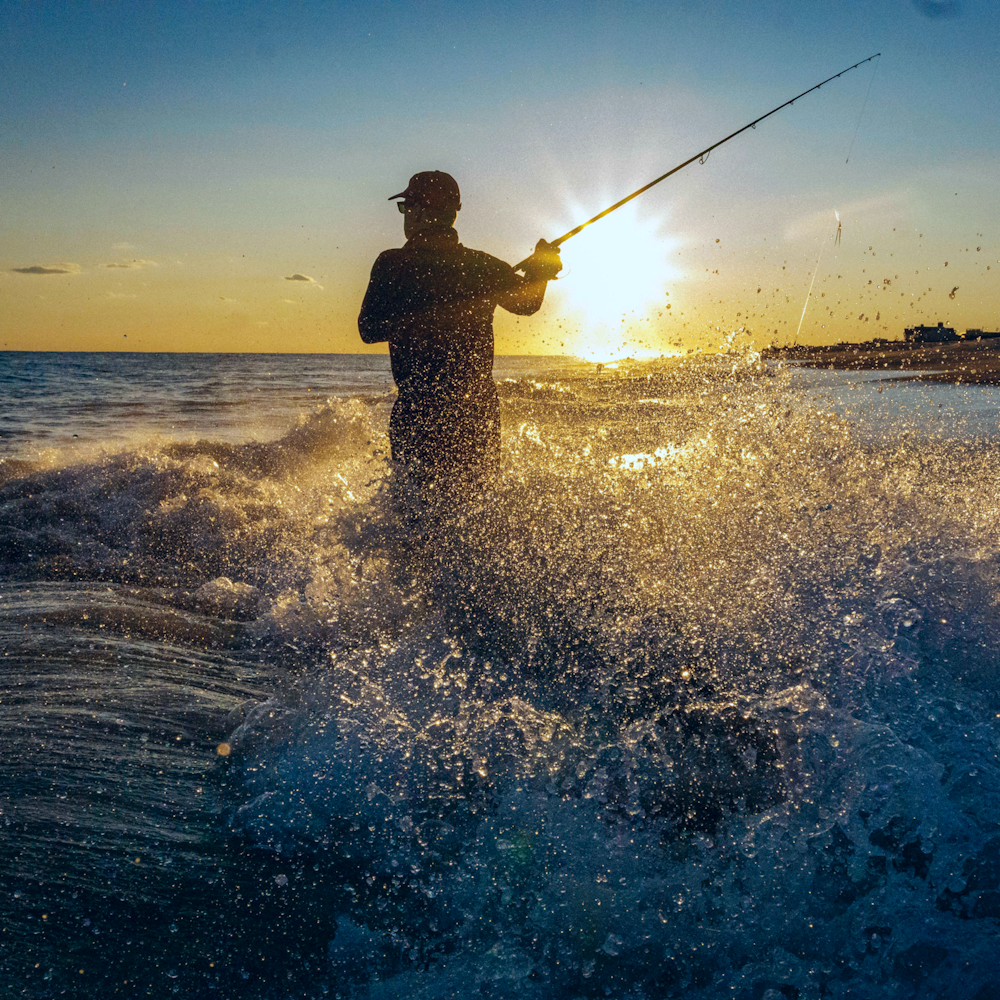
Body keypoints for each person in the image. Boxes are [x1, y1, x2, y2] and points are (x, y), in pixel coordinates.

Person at [358, 171, 561, 486]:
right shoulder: (482, 266)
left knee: (413, 518)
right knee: (476, 511)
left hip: (416, 414)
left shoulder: (391, 264)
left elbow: (368, 328)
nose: (406, 216)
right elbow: (528, 304)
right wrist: (542, 269)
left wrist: (413, 320)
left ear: (424, 211)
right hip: (476, 414)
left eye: (406, 206)